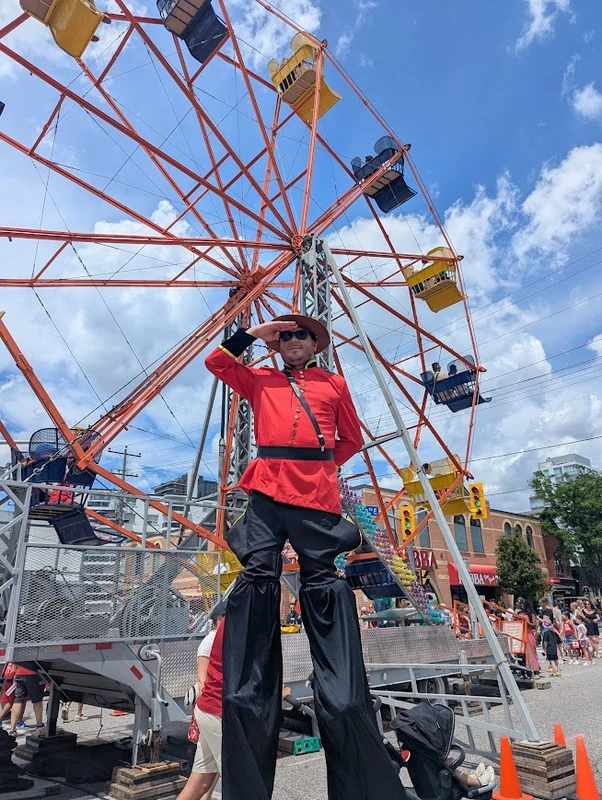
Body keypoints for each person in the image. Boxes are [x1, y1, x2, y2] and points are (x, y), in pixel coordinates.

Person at [205, 315, 406, 800]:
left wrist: (318, 466)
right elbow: (216, 361)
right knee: (257, 574)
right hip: (268, 485)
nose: (293, 342)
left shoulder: (333, 383)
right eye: (286, 335)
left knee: (323, 578)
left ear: (316, 343)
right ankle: (249, 686)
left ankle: (340, 689)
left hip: (314, 491)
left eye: (302, 335)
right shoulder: (261, 378)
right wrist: (253, 334)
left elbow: (351, 439)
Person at [178, 601, 227, 800]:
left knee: (202, 780)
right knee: (236, 777)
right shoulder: (211, 640)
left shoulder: (220, 637)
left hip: (210, 707)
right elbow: (202, 678)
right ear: (219, 619)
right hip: (214, 706)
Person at [9, 663, 45, 735]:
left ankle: (12, 728)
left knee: (18, 700)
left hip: (19, 673)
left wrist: (16, 672)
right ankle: (39, 725)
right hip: (34, 673)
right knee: (37, 700)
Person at [516, 598, 540, 677]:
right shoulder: (518, 613)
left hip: (529, 633)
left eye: (522, 604)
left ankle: (535, 669)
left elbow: (534, 625)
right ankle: (523, 669)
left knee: (531, 652)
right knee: (521, 653)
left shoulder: (530, 613)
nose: (521, 606)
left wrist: (527, 622)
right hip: (520, 633)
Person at [0, 662, 17, 727]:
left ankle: (5, 714)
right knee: (12, 700)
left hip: (7, 677)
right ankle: (2, 716)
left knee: (6, 697)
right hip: (12, 678)